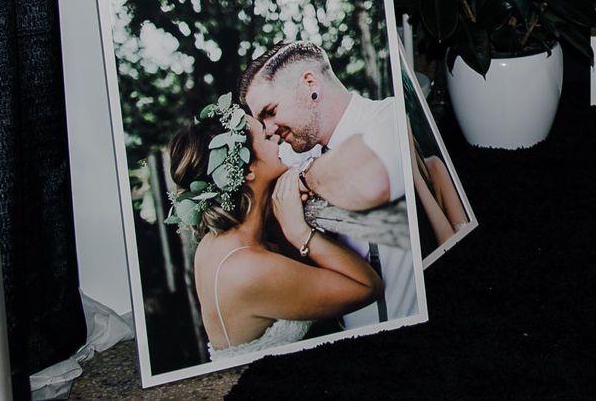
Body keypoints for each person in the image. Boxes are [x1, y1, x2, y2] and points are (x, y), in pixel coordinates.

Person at [166, 98, 382, 363]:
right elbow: (368, 287)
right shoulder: (246, 268)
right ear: (245, 172)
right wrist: (301, 234)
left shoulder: (216, 242)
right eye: (264, 135)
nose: (273, 131)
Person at [240, 41, 418, 328]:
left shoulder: (387, 117)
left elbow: (370, 179)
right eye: (262, 121)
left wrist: (303, 175)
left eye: (270, 111)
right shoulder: (294, 149)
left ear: (310, 82)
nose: (269, 130)